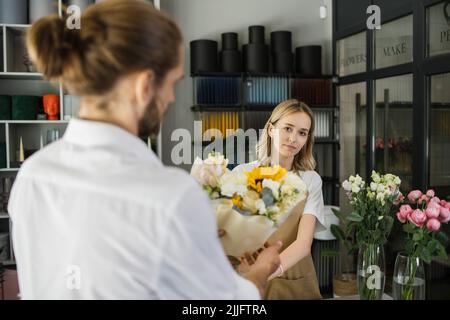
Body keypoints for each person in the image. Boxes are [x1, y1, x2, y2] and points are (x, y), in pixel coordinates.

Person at [8, 0, 281, 299]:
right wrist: (259, 273)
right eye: (172, 83)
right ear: (144, 84)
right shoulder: (169, 196)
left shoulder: (32, 176)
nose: (171, 99)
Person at [233, 99, 325, 300]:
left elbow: (303, 244)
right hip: (248, 276)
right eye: (288, 128)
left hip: (294, 277)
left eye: (302, 133)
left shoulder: (310, 180)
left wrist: (265, 273)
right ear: (271, 129)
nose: (293, 138)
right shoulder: (243, 173)